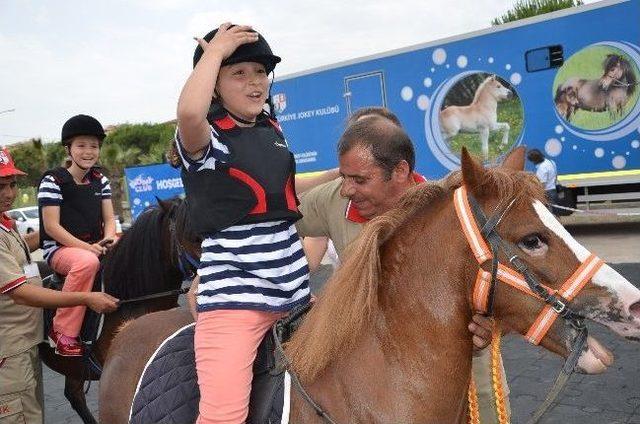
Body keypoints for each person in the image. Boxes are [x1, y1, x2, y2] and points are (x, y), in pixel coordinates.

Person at [295, 110, 511, 423]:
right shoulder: (335, 200)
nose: (347, 189)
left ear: (399, 169)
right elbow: (274, 221)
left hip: (446, 357)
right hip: (371, 360)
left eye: (360, 178)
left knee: (487, 401)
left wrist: (490, 321)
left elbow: (506, 282)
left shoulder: (449, 213)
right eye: (345, 176)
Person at [176, 23, 311, 423]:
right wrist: (214, 53)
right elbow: (188, 111)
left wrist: (343, 175)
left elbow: (281, 191)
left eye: (260, 73)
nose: (255, 83)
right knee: (224, 418)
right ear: (213, 87)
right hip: (236, 305)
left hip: (297, 295)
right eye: (239, 74)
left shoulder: (272, 129)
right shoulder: (207, 141)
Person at [0, 147, 118, 424]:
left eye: (12, 184)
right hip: (9, 350)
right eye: (0, 186)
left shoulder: (7, 225)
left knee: (32, 414)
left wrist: (70, 226)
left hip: (25, 343)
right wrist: (86, 298)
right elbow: (21, 293)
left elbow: (26, 246)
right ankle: (63, 332)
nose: (8, 193)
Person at [37, 114, 117, 357]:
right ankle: (62, 332)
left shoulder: (100, 179)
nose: (88, 151)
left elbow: (110, 219)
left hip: (94, 243)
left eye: (94, 146)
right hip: (60, 250)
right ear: (69, 149)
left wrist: (110, 239)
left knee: (130, 245)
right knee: (87, 262)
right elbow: (52, 227)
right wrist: (87, 248)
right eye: (81, 145)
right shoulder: (53, 181)